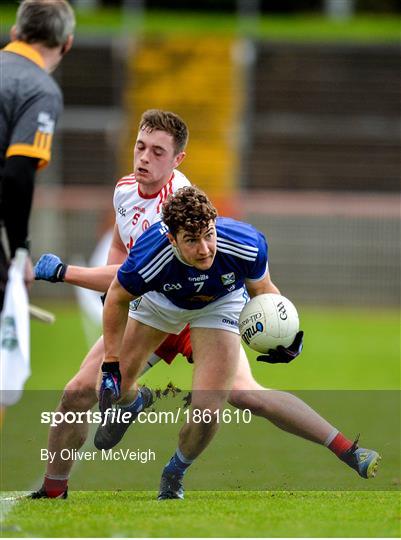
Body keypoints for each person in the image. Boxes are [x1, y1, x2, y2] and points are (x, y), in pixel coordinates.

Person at [97, 186, 381, 500]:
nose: (205, 249)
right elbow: (116, 298)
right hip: (160, 306)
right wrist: (110, 363)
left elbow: (264, 290)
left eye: (209, 235)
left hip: (218, 306)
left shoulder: (245, 243)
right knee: (115, 387)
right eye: (192, 240)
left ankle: (175, 471)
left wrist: (288, 336)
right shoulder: (149, 256)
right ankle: (133, 400)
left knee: (210, 408)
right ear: (172, 239)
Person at [30, 109, 193, 498]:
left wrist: (64, 272)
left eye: (157, 152)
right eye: (140, 147)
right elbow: (121, 249)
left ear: (177, 160)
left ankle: (340, 446)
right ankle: (54, 490)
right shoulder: (124, 188)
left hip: (188, 314)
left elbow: (133, 276)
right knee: (77, 392)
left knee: (244, 395)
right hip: (144, 308)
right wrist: (111, 293)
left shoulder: (177, 207)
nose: (144, 159)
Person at [0, 0, 75, 312]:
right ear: (66, 43)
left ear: (16, 31)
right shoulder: (39, 89)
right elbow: (17, 174)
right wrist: (19, 254)